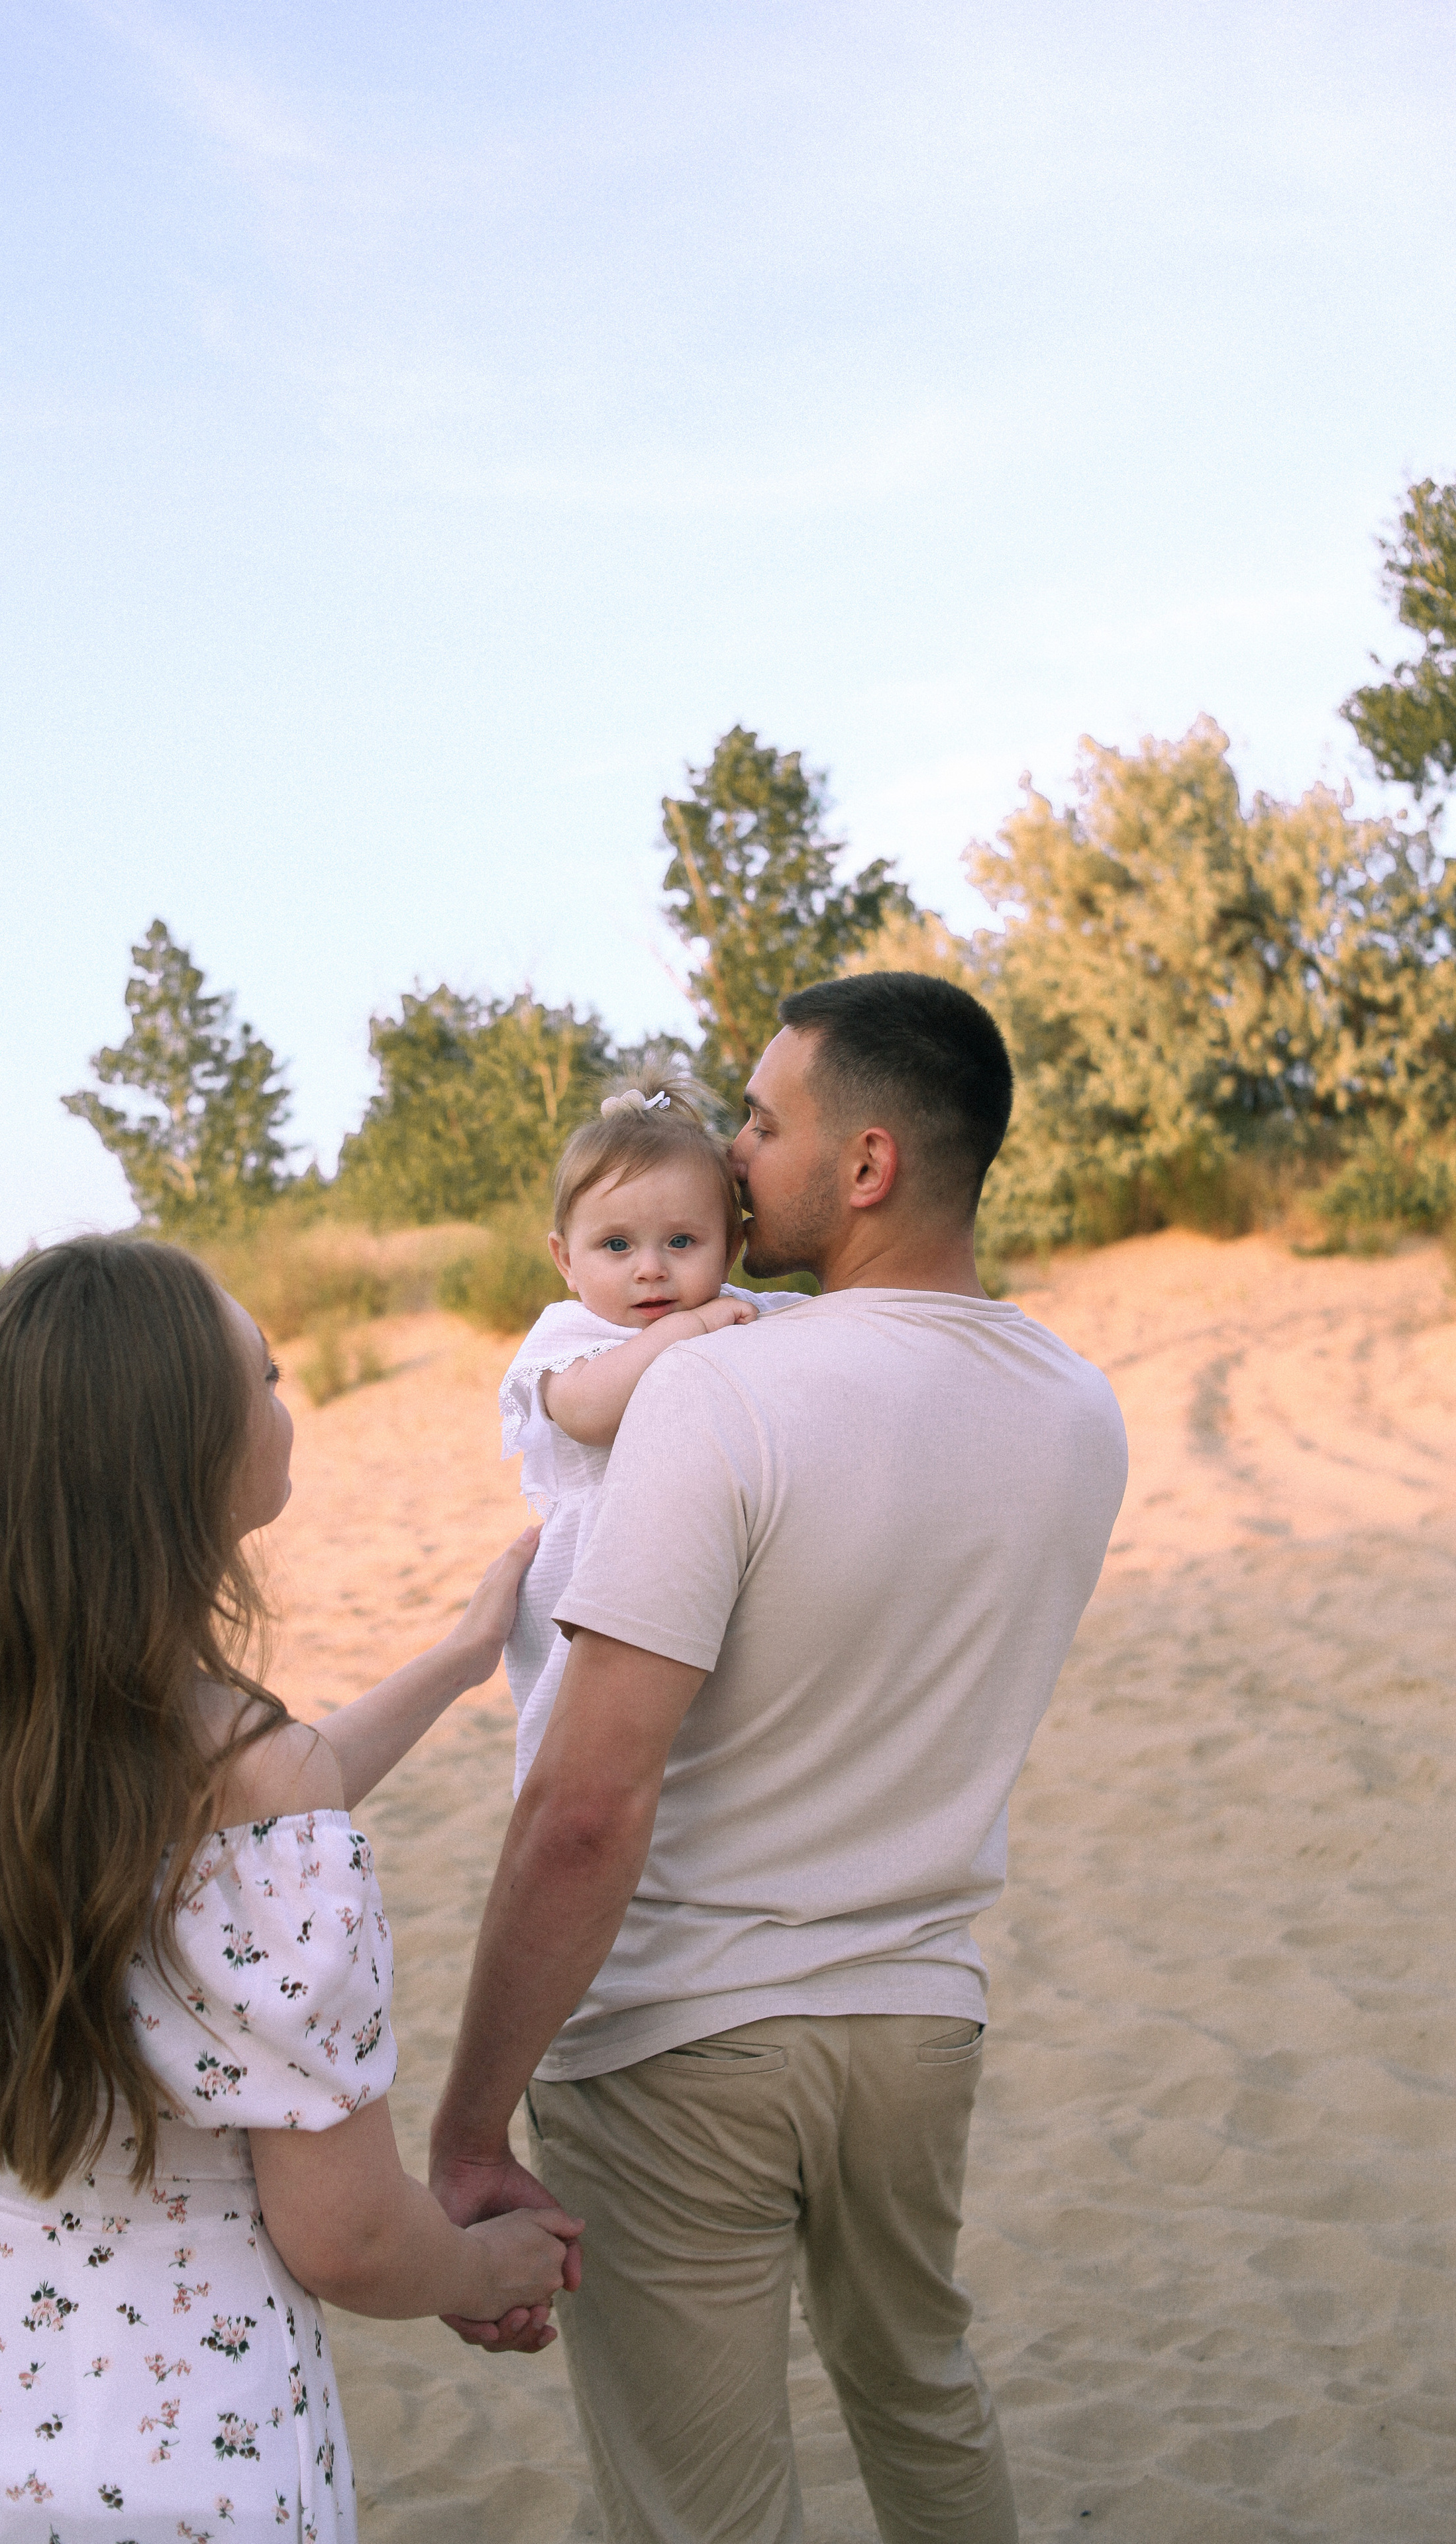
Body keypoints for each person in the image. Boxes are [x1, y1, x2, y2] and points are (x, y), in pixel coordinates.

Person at [428, 973, 1129, 2544]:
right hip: (914, 2021)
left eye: (761, 1117)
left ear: (865, 1165)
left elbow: (587, 1806)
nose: (730, 1152)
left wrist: (470, 2122)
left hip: (680, 2042)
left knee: (704, 2507)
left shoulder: (715, 1388)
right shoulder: (1078, 1406)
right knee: (924, 2398)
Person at [0, 1236, 577, 2544]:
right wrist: (483, 2267)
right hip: (172, 2451)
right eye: (265, 1377)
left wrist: (455, 1660)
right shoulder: (245, 1777)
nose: (288, 1400)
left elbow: (246, 1800)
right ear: (185, 1466)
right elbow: (345, 2240)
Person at [498, 1067, 804, 1791]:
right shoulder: (567, 1336)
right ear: (564, 1260)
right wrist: (690, 1330)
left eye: (680, 1241)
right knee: (580, 1750)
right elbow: (588, 1411)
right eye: (615, 1246)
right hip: (586, 1582)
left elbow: (821, 1330)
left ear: (729, 1248)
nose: (650, 1271)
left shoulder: (735, 1308)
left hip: (701, 1556)